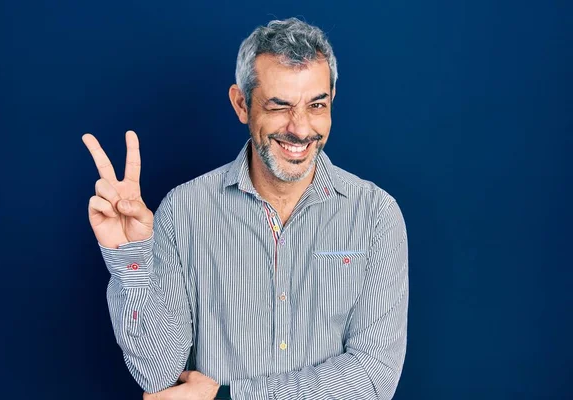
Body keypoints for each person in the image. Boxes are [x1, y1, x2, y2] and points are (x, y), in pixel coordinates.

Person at [82, 17, 408, 400]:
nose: (300, 129)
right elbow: (158, 374)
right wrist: (130, 259)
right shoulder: (184, 210)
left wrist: (228, 396)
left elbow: (373, 376)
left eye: (316, 105)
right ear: (241, 104)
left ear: (332, 99)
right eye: (279, 106)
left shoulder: (375, 215)